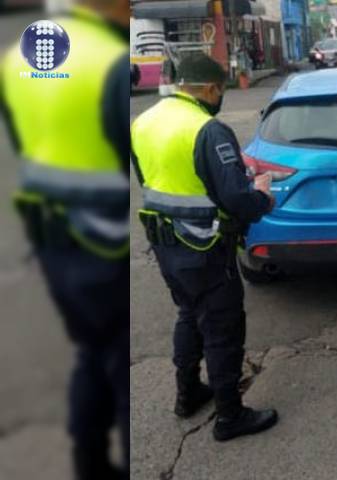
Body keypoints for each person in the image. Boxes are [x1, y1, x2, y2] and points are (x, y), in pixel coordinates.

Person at [0, 0, 130, 478]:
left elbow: (23, 142)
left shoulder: (17, 57)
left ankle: (88, 464)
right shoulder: (112, 62)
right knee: (121, 371)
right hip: (105, 246)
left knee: (90, 352)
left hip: (50, 238)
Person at [131, 53, 278, 442]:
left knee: (188, 314)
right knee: (222, 327)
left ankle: (188, 394)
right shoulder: (208, 130)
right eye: (220, 90)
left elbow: (150, 180)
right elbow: (237, 200)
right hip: (206, 247)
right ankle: (230, 416)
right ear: (211, 88)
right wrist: (262, 197)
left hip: (165, 244)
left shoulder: (143, 121)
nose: (221, 97)